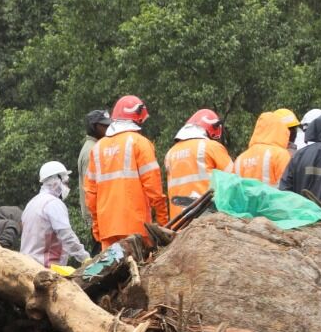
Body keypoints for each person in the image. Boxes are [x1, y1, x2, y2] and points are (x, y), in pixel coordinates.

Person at [84, 95, 168, 248]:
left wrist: (97, 226)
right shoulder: (140, 143)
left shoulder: (97, 148)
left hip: (108, 229)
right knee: (140, 270)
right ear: (138, 118)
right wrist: (163, 222)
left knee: (112, 271)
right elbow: (154, 189)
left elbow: (90, 194)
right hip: (136, 229)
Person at [21, 161, 90, 268]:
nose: (67, 187)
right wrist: (85, 258)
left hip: (26, 266)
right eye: (65, 183)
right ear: (57, 180)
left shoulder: (32, 203)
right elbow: (67, 236)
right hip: (45, 269)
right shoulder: (53, 204)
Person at [164, 109, 232, 217]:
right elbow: (233, 181)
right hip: (206, 221)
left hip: (178, 222)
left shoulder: (170, 153)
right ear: (212, 128)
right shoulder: (211, 147)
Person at [233, 111, 291, 187]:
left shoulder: (239, 159)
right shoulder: (281, 155)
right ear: (280, 130)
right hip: (272, 199)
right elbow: (288, 188)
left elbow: (234, 189)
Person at [78, 109, 109, 241]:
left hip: (99, 215)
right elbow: (89, 188)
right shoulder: (91, 150)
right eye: (104, 125)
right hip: (97, 217)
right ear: (94, 127)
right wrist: (95, 218)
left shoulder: (95, 147)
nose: (108, 128)